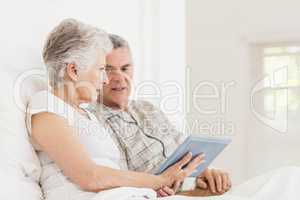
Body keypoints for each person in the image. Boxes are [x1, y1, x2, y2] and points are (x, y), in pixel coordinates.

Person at [26, 19, 204, 200]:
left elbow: (113, 175)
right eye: (102, 69)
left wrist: (152, 189)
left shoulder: (87, 116)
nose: (104, 80)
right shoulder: (47, 106)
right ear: (73, 70)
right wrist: (159, 180)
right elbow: (90, 177)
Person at [88, 34, 232, 197]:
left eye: (125, 68)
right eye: (108, 70)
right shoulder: (93, 121)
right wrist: (157, 189)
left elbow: (183, 150)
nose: (120, 78)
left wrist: (206, 176)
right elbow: (120, 185)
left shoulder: (146, 108)